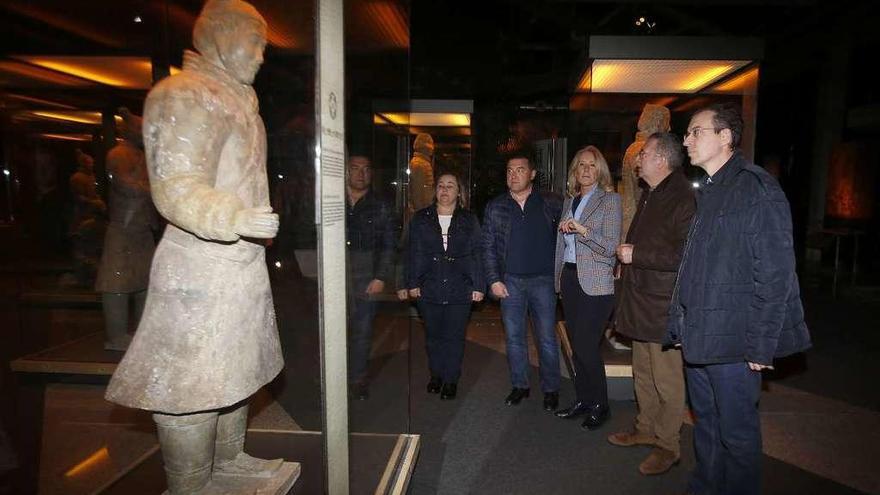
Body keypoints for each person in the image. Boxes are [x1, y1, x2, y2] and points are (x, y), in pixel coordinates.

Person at [105, 1, 293, 493]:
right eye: (254, 40)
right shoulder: (184, 93)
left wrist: (251, 225)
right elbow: (175, 186)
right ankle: (189, 484)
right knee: (190, 385)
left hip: (238, 262)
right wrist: (234, 217)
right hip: (199, 266)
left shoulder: (236, 101)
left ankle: (228, 461)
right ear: (219, 35)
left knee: (236, 370)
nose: (260, 54)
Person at [667, 103, 811, 495]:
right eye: (687, 133)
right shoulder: (709, 190)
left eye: (696, 132)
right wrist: (680, 322)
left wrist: (762, 343)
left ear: (725, 137)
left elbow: (776, 273)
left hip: (734, 342)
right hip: (701, 334)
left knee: (737, 436)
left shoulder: (756, 188)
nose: (687, 140)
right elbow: (697, 267)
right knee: (707, 426)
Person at [606, 132, 695, 475]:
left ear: (661, 159)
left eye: (644, 153)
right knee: (643, 372)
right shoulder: (652, 193)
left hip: (663, 306)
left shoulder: (683, 197)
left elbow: (685, 254)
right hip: (641, 299)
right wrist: (624, 262)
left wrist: (636, 254)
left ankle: (668, 445)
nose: (637, 159)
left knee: (668, 380)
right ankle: (645, 429)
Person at [483, 149, 562, 411]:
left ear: (532, 174)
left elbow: (566, 241)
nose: (513, 175)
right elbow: (488, 247)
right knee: (514, 338)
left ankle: (551, 389)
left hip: (544, 281)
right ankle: (520, 386)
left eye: (519, 170)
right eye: (509, 170)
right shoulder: (496, 207)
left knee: (546, 339)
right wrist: (494, 279)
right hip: (511, 282)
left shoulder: (552, 203)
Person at [552, 146, 621, 430]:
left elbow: (610, 248)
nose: (585, 170)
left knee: (586, 346)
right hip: (570, 279)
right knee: (578, 349)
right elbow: (560, 246)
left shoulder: (611, 201)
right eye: (581, 165)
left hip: (596, 283)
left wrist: (582, 230)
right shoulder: (570, 201)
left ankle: (600, 405)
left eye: (591, 165)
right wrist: (558, 279)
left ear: (600, 170)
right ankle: (583, 400)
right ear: (574, 172)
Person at [405, 173, 484, 400]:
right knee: (433, 337)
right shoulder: (421, 219)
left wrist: (478, 285)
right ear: (435, 190)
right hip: (428, 287)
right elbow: (411, 252)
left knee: (454, 337)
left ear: (459, 192)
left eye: (450, 186)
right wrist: (412, 283)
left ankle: (451, 380)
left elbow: (478, 252)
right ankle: (436, 375)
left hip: (460, 288)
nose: (445, 190)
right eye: (441, 185)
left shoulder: (469, 219)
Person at [95, 108, 159, 351]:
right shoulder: (118, 154)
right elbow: (125, 185)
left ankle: (141, 331)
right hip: (123, 229)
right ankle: (116, 336)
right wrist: (154, 190)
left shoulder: (142, 157)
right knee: (116, 283)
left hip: (141, 228)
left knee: (144, 281)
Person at [346, 153, 395, 400]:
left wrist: (381, 277)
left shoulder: (381, 205)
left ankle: (357, 380)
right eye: (355, 168)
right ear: (346, 171)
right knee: (331, 331)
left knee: (362, 332)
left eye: (366, 169)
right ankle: (331, 377)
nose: (360, 173)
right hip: (333, 277)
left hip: (366, 277)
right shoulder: (332, 201)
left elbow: (388, 245)